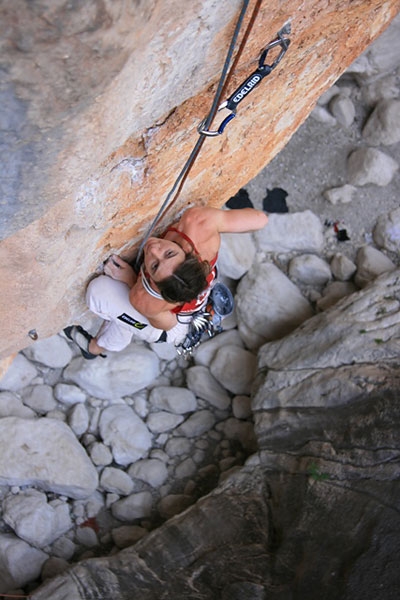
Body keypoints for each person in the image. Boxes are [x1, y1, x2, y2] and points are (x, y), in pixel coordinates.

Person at [64, 206, 268, 358]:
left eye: (154, 266)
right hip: (192, 303)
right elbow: (260, 220)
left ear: (153, 286)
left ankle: (96, 348)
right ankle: (118, 325)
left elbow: (167, 323)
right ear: (189, 253)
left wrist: (131, 281)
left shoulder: (145, 300)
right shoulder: (199, 225)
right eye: (169, 253)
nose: (153, 250)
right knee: (122, 312)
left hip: (172, 327)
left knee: (99, 292)